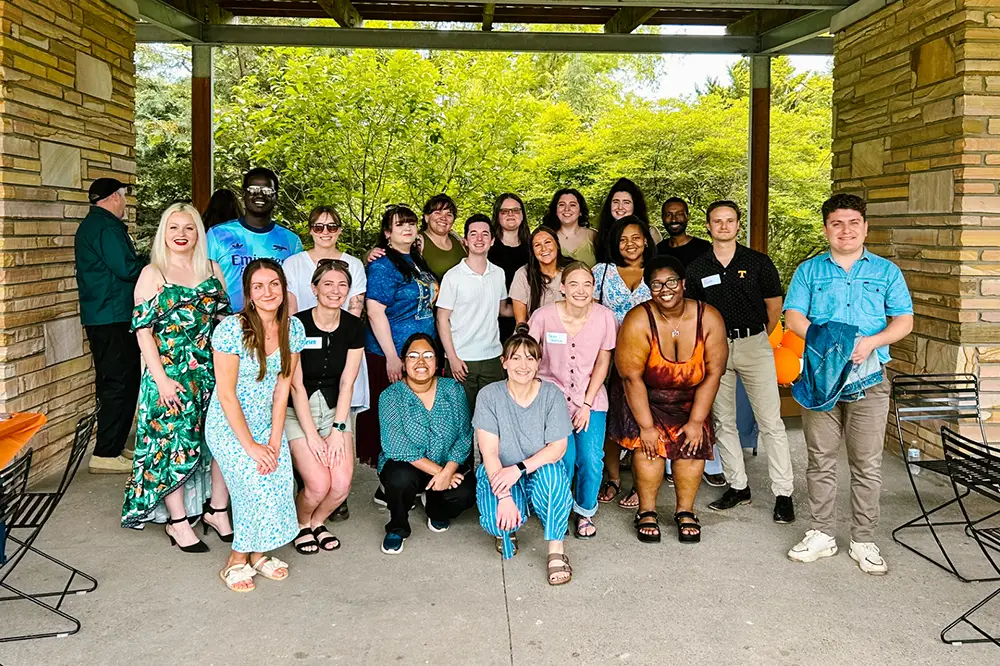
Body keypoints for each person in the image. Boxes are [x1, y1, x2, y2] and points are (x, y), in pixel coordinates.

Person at [784, 193, 913, 575]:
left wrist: (872, 342)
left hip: (869, 379)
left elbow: (903, 320)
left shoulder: (886, 272)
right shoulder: (809, 272)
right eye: (837, 223)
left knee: (867, 464)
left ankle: (863, 539)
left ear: (865, 227)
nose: (845, 230)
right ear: (826, 228)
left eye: (853, 222)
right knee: (820, 460)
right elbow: (793, 317)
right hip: (821, 379)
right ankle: (821, 533)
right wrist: (830, 345)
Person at [122, 203, 231, 552]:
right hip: (169, 375)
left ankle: (217, 509)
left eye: (188, 227)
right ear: (163, 233)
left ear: (199, 232)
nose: (181, 235)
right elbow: (143, 333)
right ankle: (178, 522)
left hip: (210, 372)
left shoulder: (212, 268)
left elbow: (224, 323)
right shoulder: (153, 273)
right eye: (173, 228)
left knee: (218, 443)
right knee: (175, 447)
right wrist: (162, 380)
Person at [685, 201, 796, 523]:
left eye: (729, 221)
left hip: (754, 344)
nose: (723, 226)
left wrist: (758, 336)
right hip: (716, 350)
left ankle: (783, 492)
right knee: (724, 421)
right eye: (717, 221)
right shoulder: (697, 267)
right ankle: (738, 486)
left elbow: (774, 306)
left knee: (771, 421)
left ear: (737, 225)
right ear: (707, 226)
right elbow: (694, 311)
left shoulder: (757, 262)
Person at [205, 259, 307, 592]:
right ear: (248, 293)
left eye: (274, 284)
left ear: (283, 287)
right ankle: (236, 559)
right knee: (253, 481)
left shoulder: (294, 329)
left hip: (265, 419)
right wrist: (251, 446)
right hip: (228, 423)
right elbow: (226, 394)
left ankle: (259, 554)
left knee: (276, 477)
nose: (268, 292)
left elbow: (282, 389)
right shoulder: (232, 330)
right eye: (259, 286)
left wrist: (275, 440)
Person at [612, 256, 727, 543]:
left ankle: (685, 510)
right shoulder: (639, 318)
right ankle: (646, 510)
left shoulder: (708, 316)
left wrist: (697, 420)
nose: (665, 289)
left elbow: (714, 373)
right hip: (645, 397)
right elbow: (631, 377)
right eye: (656, 284)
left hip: (692, 397)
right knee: (649, 447)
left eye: (672, 282)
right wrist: (647, 427)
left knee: (693, 446)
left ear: (684, 283)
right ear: (648, 288)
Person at [474, 328, 575, 585]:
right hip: (501, 470)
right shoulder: (489, 396)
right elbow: (489, 452)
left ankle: (556, 549)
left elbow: (558, 448)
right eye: (516, 357)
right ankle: (514, 514)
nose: (523, 364)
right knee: (498, 522)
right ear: (504, 362)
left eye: (530, 358)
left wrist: (518, 469)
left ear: (538, 363)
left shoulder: (551, 395)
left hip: (535, 470)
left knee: (553, 474)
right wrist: (504, 497)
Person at [529, 263, 615, 538]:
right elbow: (529, 356)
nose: (581, 290)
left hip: (591, 398)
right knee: (563, 459)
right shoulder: (543, 316)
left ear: (594, 288)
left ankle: (585, 512)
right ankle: (559, 509)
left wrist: (587, 404)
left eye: (587, 284)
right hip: (552, 400)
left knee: (590, 459)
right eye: (574, 284)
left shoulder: (605, 317)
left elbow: (604, 361)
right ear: (562, 288)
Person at [285, 259, 364, 554]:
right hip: (298, 411)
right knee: (318, 483)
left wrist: (337, 430)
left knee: (340, 485)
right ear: (314, 288)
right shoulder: (296, 325)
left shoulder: (355, 326)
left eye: (342, 284)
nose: (335, 290)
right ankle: (301, 524)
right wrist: (313, 436)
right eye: (328, 284)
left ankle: (318, 521)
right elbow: (296, 384)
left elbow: (347, 383)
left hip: (334, 409)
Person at [356, 205, 439, 475]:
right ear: (387, 232)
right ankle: (389, 482)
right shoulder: (382, 265)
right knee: (393, 421)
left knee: (416, 419)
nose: (407, 228)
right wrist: (392, 356)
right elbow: (375, 311)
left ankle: (414, 476)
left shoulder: (416, 260)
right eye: (399, 224)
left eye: (411, 223)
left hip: (421, 352)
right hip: (390, 354)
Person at [377, 334, 476, 554]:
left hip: (447, 463)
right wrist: (442, 473)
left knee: (465, 493)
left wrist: (449, 469)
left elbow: (464, 435)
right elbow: (397, 447)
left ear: (437, 362)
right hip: (408, 466)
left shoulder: (453, 390)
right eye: (413, 356)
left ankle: (435, 507)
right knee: (400, 478)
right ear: (403, 363)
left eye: (428, 356)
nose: (421, 362)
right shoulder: (390, 396)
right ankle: (398, 526)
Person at [75, 177, 145, 474]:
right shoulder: (105, 226)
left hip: (106, 315)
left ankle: (113, 445)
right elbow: (126, 267)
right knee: (119, 382)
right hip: (112, 316)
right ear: (114, 197)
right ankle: (105, 453)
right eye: (123, 196)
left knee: (117, 381)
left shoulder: (96, 225)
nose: (125, 202)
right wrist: (154, 264)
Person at [592, 215, 654, 510]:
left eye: (636, 238)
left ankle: (641, 484)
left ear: (645, 240)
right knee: (610, 419)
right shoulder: (602, 272)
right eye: (623, 239)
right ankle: (613, 477)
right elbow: (586, 312)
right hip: (606, 356)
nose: (630, 244)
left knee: (645, 419)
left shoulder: (656, 271)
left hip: (648, 360)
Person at [437, 214, 511, 417]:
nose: (479, 239)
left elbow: (502, 310)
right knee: (460, 418)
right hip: (461, 359)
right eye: (474, 234)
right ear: (466, 241)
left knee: (494, 417)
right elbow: (442, 318)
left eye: (485, 234)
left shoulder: (499, 273)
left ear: (492, 241)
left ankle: (490, 451)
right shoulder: (453, 276)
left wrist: (535, 307)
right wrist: (451, 357)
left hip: (492, 357)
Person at [206, 167, 303, 312]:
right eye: (253, 189)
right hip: (227, 322)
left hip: (275, 322)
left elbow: (295, 290)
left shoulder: (291, 241)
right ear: (243, 194)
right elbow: (202, 280)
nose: (260, 195)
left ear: (276, 196)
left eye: (267, 191)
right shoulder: (218, 235)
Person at [488, 193, 531, 342]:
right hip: (493, 323)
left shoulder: (533, 247)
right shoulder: (487, 248)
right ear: (497, 215)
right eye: (505, 211)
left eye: (516, 210)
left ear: (523, 214)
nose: (511, 214)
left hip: (529, 320)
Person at [510, 227, 571, 324]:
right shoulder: (523, 274)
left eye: (547, 242)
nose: (544, 249)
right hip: (533, 335)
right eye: (537, 245)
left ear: (557, 244)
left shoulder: (572, 271)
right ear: (532, 251)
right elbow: (521, 321)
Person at [594, 178, 661, 264]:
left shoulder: (651, 232)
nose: (620, 207)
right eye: (615, 202)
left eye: (626, 202)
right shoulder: (602, 234)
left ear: (635, 205)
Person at [541, 188, 598, 267]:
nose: (567, 209)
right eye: (561, 204)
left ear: (580, 211)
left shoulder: (594, 236)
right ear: (555, 211)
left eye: (572, 205)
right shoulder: (546, 237)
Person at [419, 193, 467, 280]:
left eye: (449, 214)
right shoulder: (418, 241)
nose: (443, 218)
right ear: (426, 217)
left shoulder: (459, 241)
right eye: (437, 213)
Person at [656, 198, 712, 267]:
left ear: (687, 217)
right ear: (662, 218)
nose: (674, 219)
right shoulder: (659, 250)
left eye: (679, 214)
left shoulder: (704, 248)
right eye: (668, 215)